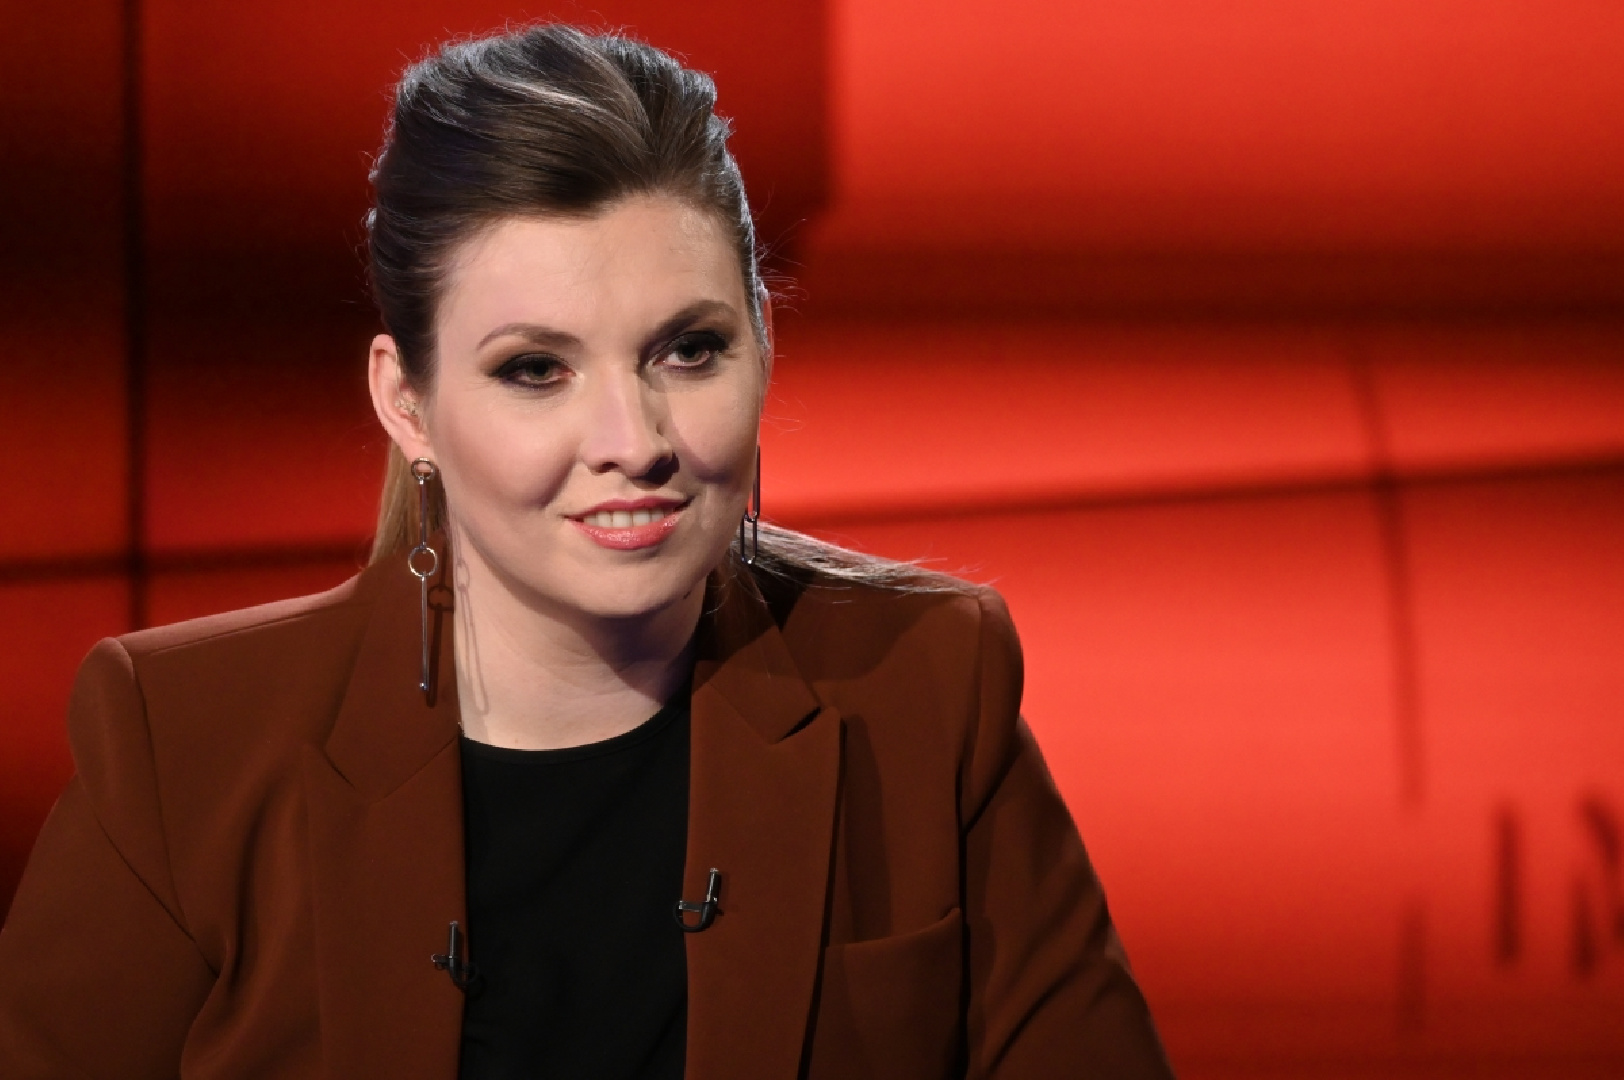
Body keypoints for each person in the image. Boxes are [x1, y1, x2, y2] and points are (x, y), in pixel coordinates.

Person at [0, 24, 1173, 1079]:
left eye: (688, 350)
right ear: (407, 403)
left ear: (763, 342)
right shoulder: (181, 748)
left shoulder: (927, 682)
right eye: (535, 369)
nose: (635, 441)